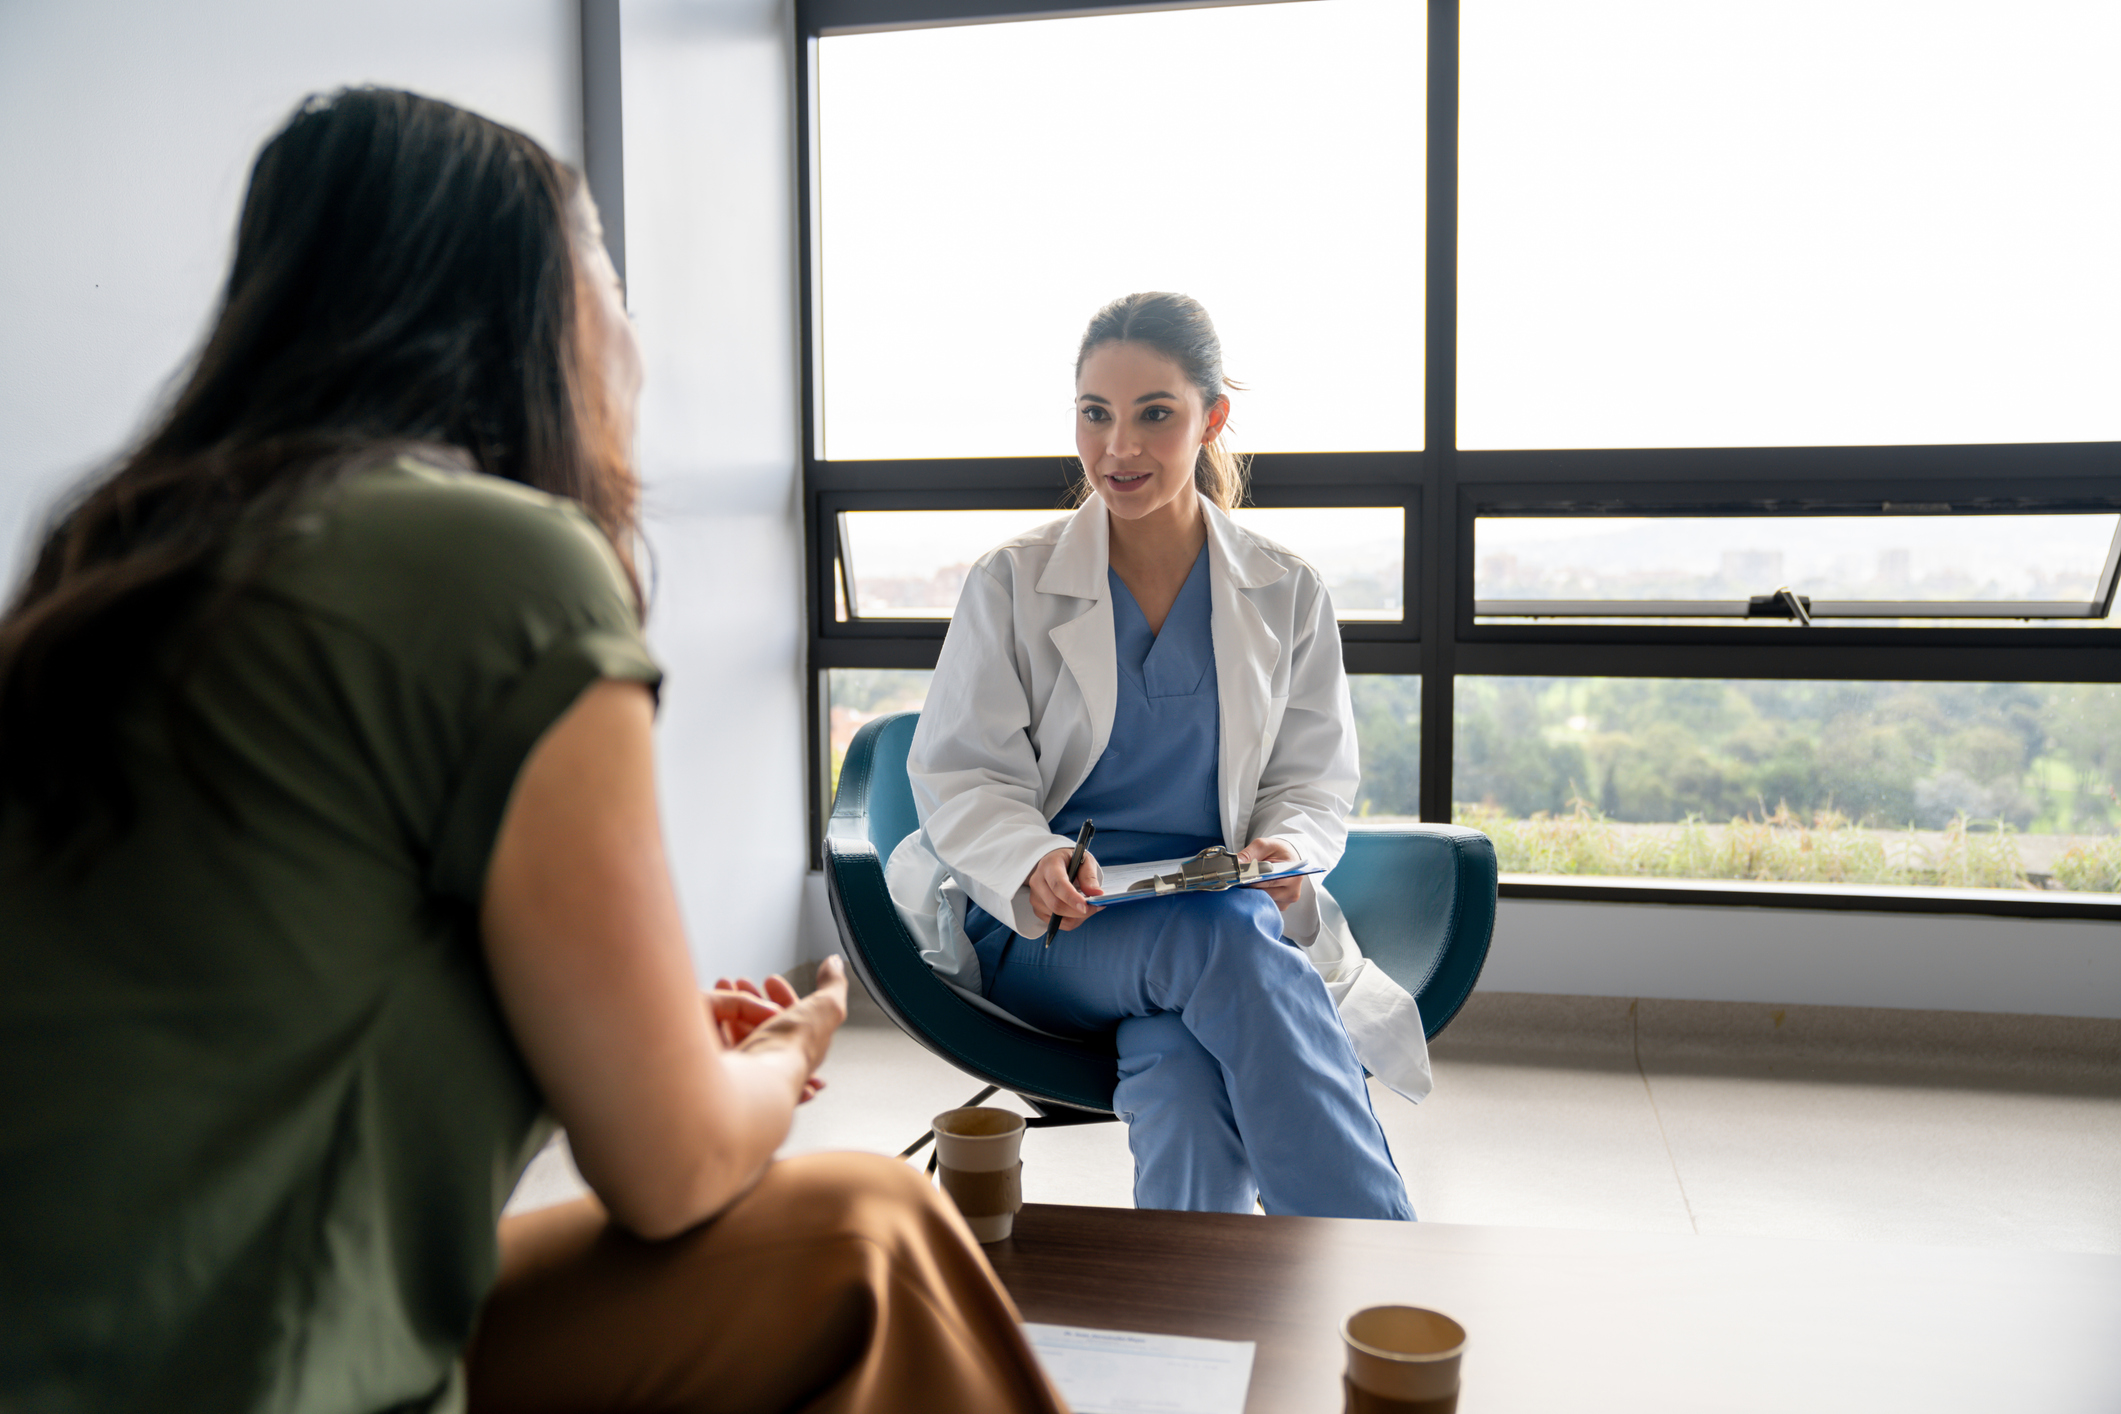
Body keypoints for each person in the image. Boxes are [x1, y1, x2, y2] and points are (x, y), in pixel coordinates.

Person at [0, 89, 1065, 1414]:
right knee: (866, 1223)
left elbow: (257, 1019)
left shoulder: (113, 571)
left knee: (869, 1236)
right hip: (240, 1370)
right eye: (607, 267)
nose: (629, 324)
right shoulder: (495, 563)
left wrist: (644, 1036)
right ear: (523, 307)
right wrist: (777, 1058)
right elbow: (670, 1168)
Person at [889, 293, 1432, 1220]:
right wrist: (1033, 858)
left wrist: (1280, 850)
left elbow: (1311, 779)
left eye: (1154, 414)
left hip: (1221, 918)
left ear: (1211, 418)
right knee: (1223, 941)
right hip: (1052, 930)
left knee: (1180, 1079)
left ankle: (1193, 1331)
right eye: (1094, 413)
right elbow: (962, 773)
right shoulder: (1011, 582)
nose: (1118, 448)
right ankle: (1381, 1273)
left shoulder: (1284, 588)